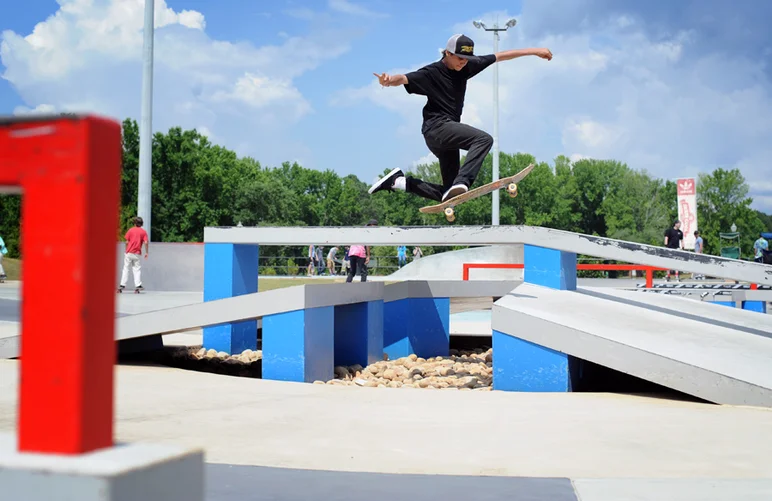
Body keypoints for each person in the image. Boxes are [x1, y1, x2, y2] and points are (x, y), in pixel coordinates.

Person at [368, 34, 552, 202]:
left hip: (447, 136)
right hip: (436, 128)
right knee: (483, 139)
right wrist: (389, 80)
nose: (463, 63)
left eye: (467, 59)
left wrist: (535, 51)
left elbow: (500, 55)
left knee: (449, 195)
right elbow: (403, 79)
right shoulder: (431, 73)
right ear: (447, 53)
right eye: (460, 58)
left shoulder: (468, 66)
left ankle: (398, 182)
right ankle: (463, 180)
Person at [119, 216, 149, 291]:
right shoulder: (143, 232)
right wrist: (146, 252)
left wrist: (126, 250)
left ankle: (122, 284)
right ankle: (138, 285)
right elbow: (146, 242)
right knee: (137, 269)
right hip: (137, 253)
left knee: (126, 268)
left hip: (129, 252)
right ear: (141, 223)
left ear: (135, 223)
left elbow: (126, 241)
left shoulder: (130, 230)